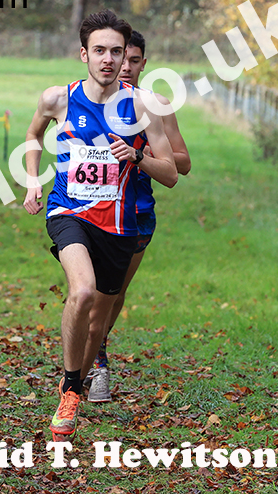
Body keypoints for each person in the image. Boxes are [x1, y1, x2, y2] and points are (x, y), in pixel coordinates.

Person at [22, 10, 178, 442]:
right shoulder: (59, 99)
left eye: (116, 51)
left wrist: (137, 157)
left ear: (127, 55)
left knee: (97, 324)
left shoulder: (144, 106)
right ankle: (71, 390)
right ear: (83, 54)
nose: (108, 59)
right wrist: (33, 180)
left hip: (122, 225)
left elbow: (170, 173)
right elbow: (33, 137)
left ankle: (76, 377)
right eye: (99, 51)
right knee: (82, 291)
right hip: (69, 212)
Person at [84, 30, 192, 403]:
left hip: (138, 213)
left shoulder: (155, 104)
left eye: (133, 60)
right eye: (119, 57)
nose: (125, 66)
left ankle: (95, 351)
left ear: (144, 63)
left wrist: (141, 151)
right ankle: (95, 365)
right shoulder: (91, 99)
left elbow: (184, 163)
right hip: (93, 209)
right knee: (91, 292)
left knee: (114, 296)